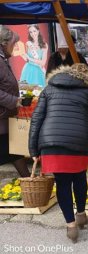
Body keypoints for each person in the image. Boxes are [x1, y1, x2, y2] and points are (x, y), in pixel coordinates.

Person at [29, 63, 88, 243]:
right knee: (80, 178)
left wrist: (33, 149)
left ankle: (71, 226)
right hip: (79, 143)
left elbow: (36, 120)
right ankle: (81, 214)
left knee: (62, 184)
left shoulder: (49, 89)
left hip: (52, 143)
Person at [0, 27, 30, 178]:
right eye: (13, 43)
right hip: (2, 118)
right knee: (12, 149)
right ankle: (28, 179)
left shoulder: (3, 59)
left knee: (14, 149)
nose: (15, 46)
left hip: (6, 117)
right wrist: (14, 101)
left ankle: (29, 180)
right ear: (3, 43)